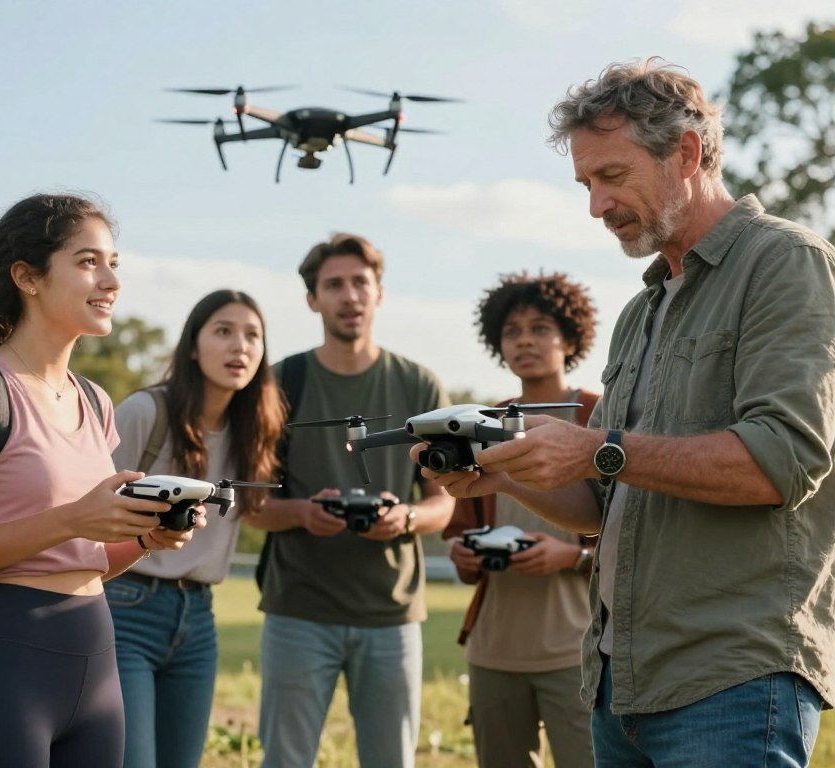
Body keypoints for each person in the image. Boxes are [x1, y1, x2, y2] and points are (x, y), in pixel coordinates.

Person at [416, 58, 835, 767]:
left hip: (731, 679)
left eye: (612, 175)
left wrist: (596, 448)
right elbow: (603, 502)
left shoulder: (786, 263)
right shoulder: (640, 312)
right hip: (618, 681)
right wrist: (502, 475)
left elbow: (783, 460)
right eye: (585, 184)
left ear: (687, 153)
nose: (596, 206)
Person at [0, 193, 196, 768]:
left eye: (113, 263)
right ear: (27, 277)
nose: (110, 281)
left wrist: (143, 537)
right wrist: (72, 518)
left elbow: (83, 559)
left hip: (96, 669)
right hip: (1, 672)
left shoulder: (94, 400)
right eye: (88, 262)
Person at [247, 233, 455, 768]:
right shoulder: (280, 382)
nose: (349, 296)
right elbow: (254, 504)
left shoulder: (419, 385)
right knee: (285, 761)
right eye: (334, 285)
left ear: (379, 293)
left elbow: (444, 502)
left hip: (391, 612)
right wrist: (303, 512)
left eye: (360, 283)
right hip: (299, 609)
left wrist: (405, 517)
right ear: (312, 299)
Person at [105, 288, 285, 768]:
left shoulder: (256, 430)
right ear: (192, 346)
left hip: (199, 619)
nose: (240, 346)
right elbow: (88, 514)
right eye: (223, 331)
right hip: (126, 610)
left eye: (253, 335)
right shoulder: (144, 412)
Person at [445, 272, 598, 768]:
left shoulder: (598, 415)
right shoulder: (480, 423)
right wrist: (463, 553)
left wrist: (572, 556)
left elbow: (636, 529)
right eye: (512, 331)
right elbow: (458, 527)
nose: (525, 340)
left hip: (580, 650)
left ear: (570, 338)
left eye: (540, 328)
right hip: (493, 651)